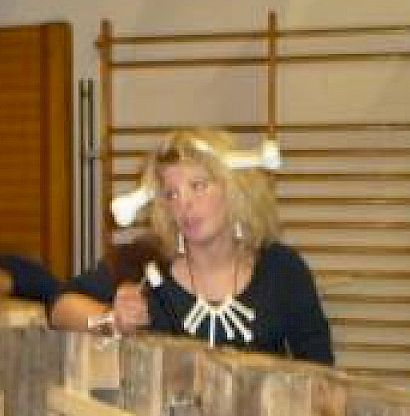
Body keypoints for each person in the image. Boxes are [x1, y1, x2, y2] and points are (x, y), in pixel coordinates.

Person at [51, 127, 334, 365]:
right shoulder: (144, 263)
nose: (184, 204)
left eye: (198, 186)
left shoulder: (281, 269)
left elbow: (321, 370)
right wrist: (110, 320)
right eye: (171, 194)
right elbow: (58, 308)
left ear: (234, 190)